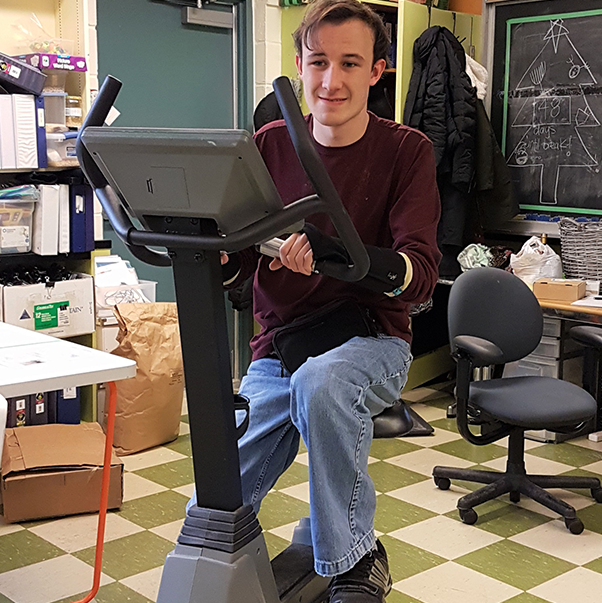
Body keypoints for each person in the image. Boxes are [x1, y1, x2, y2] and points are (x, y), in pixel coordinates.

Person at [192, 1, 441, 600]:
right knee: (219, 498)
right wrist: (224, 258)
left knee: (323, 386)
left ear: (377, 71)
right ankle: (299, 543)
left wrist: (338, 254)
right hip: (279, 347)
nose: (332, 81)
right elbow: (241, 259)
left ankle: (354, 557)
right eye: (319, 62)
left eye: (350, 63)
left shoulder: (407, 151)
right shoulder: (268, 144)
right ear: (299, 67)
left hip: (372, 339)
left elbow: (422, 278)